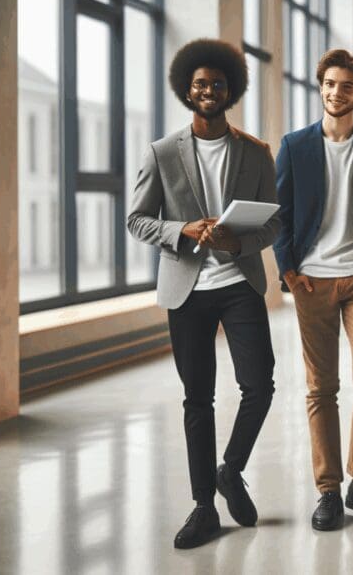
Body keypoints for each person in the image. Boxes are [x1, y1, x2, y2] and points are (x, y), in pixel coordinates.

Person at [126, 38, 280, 549]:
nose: (208, 90)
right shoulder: (162, 152)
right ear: (187, 91)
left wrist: (239, 239)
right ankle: (202, 508)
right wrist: (182, 230)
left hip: (239, 283)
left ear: (230, 89)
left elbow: (273, 225)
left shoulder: (256, 152)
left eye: (217, 83)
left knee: (259, 386)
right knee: (199, 399)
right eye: (200, 84)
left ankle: (230, 471)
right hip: (187, 290)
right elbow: (137, 219)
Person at [273, 48, 353, 531]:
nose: (336, 92)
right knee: (320, 387)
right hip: (311, 280)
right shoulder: (294, 146)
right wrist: (288, 271)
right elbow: (279, 216)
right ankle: (328, 490)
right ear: (320, 87)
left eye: (346, 86)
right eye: (329, 84)